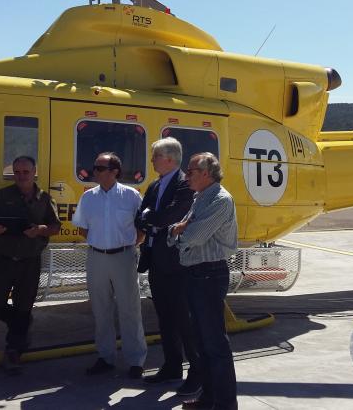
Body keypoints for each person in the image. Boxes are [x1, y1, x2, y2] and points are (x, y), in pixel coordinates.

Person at [168, 153, 239, 410]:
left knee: (215, 344)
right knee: (201, 342)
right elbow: (173, 232)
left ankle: (225, 404)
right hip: (195, 274)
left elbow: (192, 236)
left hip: (209, 275)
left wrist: (182, 230)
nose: (186, 176)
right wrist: (180, 231)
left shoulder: (220, 200)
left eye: (191, 171)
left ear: (207, 173)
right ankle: (208, 399)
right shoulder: (199, 198)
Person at [0, 156, 61, 374]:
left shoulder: (44, 198)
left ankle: (13, 352)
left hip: (29, 261)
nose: (21, 176)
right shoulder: (3, 195)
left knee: (23, 306)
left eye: (25, 172)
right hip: (3, 259)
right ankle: (21, 326)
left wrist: (40, 230)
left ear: (34, 172)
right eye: (17, 172)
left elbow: (55, 226)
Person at [72, 152, 148, 378]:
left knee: (129, 309)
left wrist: (126, 246)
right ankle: (105, 357)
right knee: (100, 309)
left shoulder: (132, 196)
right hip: (96, 257)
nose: (95, 171)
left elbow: (143, 228)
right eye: (95, 167)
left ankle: (136, 360)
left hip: (124, 257)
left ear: (114, 171)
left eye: (100, 168)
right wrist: (100, 243)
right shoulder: (88, 197)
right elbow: (82, 227)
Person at [136, 138, 201, 395]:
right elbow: (142, 214)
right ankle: (172, 366)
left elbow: (170, 216)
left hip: (177, 264)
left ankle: (197, 372)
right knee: (165, 318)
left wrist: (150, 218)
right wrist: (149, 219)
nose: (151, 161)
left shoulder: (185, 184)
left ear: (169, 159)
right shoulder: (154, 185)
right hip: (156, 261)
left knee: (184, 320)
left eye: (155, 157)